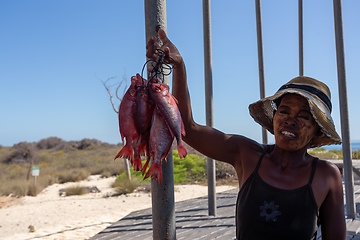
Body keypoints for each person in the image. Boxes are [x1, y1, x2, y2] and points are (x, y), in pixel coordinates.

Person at [146, 29, 347, 240]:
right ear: (274, 117)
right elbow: (187, 128)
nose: (290, 120)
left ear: (317, 129)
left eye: (304, 116)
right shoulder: (247, 154)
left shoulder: (326, 175)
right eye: (284, 111)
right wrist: (179, 66)